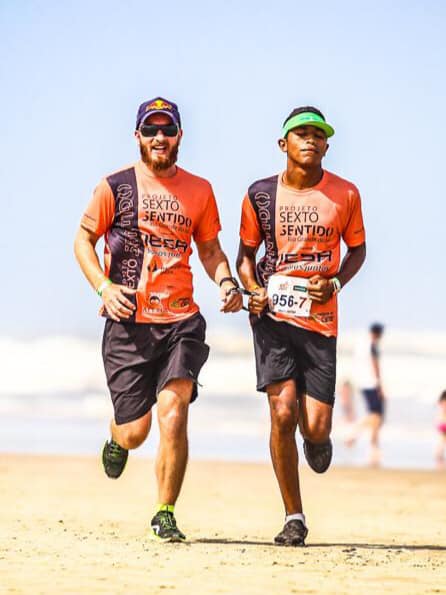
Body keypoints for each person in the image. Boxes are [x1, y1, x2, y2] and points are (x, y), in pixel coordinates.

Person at [74, 96, 242, 542]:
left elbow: (208, 249)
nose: (160, 138)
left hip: (181, 321)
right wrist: (103, 288)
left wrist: (226, 281)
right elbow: (83, 240)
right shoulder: (116, 186)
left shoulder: (200, 190)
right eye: (151, 130)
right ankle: (116, 437)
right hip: (128, 322)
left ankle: (164, 510)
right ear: (138, 137)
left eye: (168, 130)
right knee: (135, 431)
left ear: (180, 136)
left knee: (173, 410)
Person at [237, 106, 366, 546]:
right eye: (300, 134)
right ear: (283, 144)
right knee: (282, 411)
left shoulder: (345, 194)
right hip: (272, 319)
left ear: (327, 145)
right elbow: (245, 257)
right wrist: (251, 289)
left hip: (320, 324)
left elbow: (358, 252)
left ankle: (317, 439)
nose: (310, 140)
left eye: (318, 135)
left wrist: (334, 282)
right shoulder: (260, 194)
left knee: (315, 426)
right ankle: (294, 516)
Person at [347, 322, 385, 466]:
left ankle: (363, 440)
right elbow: (375, 365)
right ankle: (371, 446)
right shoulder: (372, 345)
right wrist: (380, 384)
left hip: (361, 382)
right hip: (371, 382)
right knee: (376, 416)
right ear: (379, 334)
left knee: (374, 415)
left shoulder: (361, 344)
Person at [435, 390, 446, 469]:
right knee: (442, 440)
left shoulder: (441, 402)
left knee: (442, 440)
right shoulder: (443, 403)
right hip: (443, 424)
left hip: (441, 423)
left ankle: (439, 456)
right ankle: (439, 457)